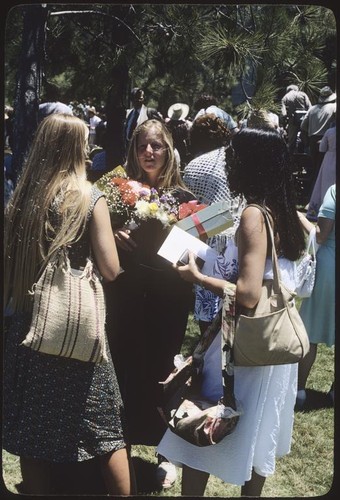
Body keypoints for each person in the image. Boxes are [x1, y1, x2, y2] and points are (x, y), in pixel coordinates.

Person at [157, 127, 306, 497]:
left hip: (241, 347)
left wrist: (196, 275)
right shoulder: (289, 214)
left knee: (204, 424)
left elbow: (249, 294)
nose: (227, 163)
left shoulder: (253, 215)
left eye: (233, 156)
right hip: (271, 350)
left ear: (249, 164)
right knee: (256, 438)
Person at [3, 113, 135, 495]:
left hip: (31, 329)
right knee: (103, 429)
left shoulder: (24, 197)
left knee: (34, 433)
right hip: (77, 330)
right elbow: (110, 269)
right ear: (79, 147)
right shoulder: (89, 197)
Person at [104, 119, 197, 489]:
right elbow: (89, 228)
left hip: (167, 300)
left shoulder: (182, 196)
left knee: (163, 374)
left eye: (157, 146)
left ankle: (167, 452)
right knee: (124, 372)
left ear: (168, 149)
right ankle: (119, 446)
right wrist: (110, 231)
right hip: (125, 297)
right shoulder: (115, 188)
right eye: (143, 145)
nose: (149, 152)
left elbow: (198, 251)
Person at [182, 113, 242, 335]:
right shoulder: (236, 159)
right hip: (238, 239)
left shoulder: (195, 166)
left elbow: (188, 209)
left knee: (208, 312)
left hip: (210, 239)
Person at [295, 184, 336, 409]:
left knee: (308, 333)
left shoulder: (335, 191)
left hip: (330, 268)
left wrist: (300, 216)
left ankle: (299, 391)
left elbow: (320, 235)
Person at [300, 86, 336, 188]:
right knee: (325, 167)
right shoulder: (334, 107)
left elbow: (303, 125)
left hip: (313, 140)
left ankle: (312, 190)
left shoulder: (312, 109)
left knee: (315, 166)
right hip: (327, 140)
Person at [306, 123, 336, 221]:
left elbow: (322, 148)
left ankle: (325, 211)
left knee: (325, 185)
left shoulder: (330, 131)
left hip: (329, 160)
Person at [124, 87, 163, 153]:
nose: (138, 100)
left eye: (140, 98)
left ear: (143, 99)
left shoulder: (149, 112)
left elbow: (160, 129)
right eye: (135, 98)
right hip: (129, 150)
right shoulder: (129, 114)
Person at [281, 84, 312, 153]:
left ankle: (291, 159)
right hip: (304, 120)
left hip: (292, 121)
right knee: (306, 140)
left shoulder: (285, 97)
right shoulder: (303, 94)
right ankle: (307, 156)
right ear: (296, 89)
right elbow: (310, 108)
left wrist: (284, 124)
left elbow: (284, 114)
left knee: (292, 142)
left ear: (287, 90)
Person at [166, 102, 192, 170]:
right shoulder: (185, 125)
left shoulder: (168, 125)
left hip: (171, 146)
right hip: (182, 146)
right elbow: (188, 138)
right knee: (183, 163)